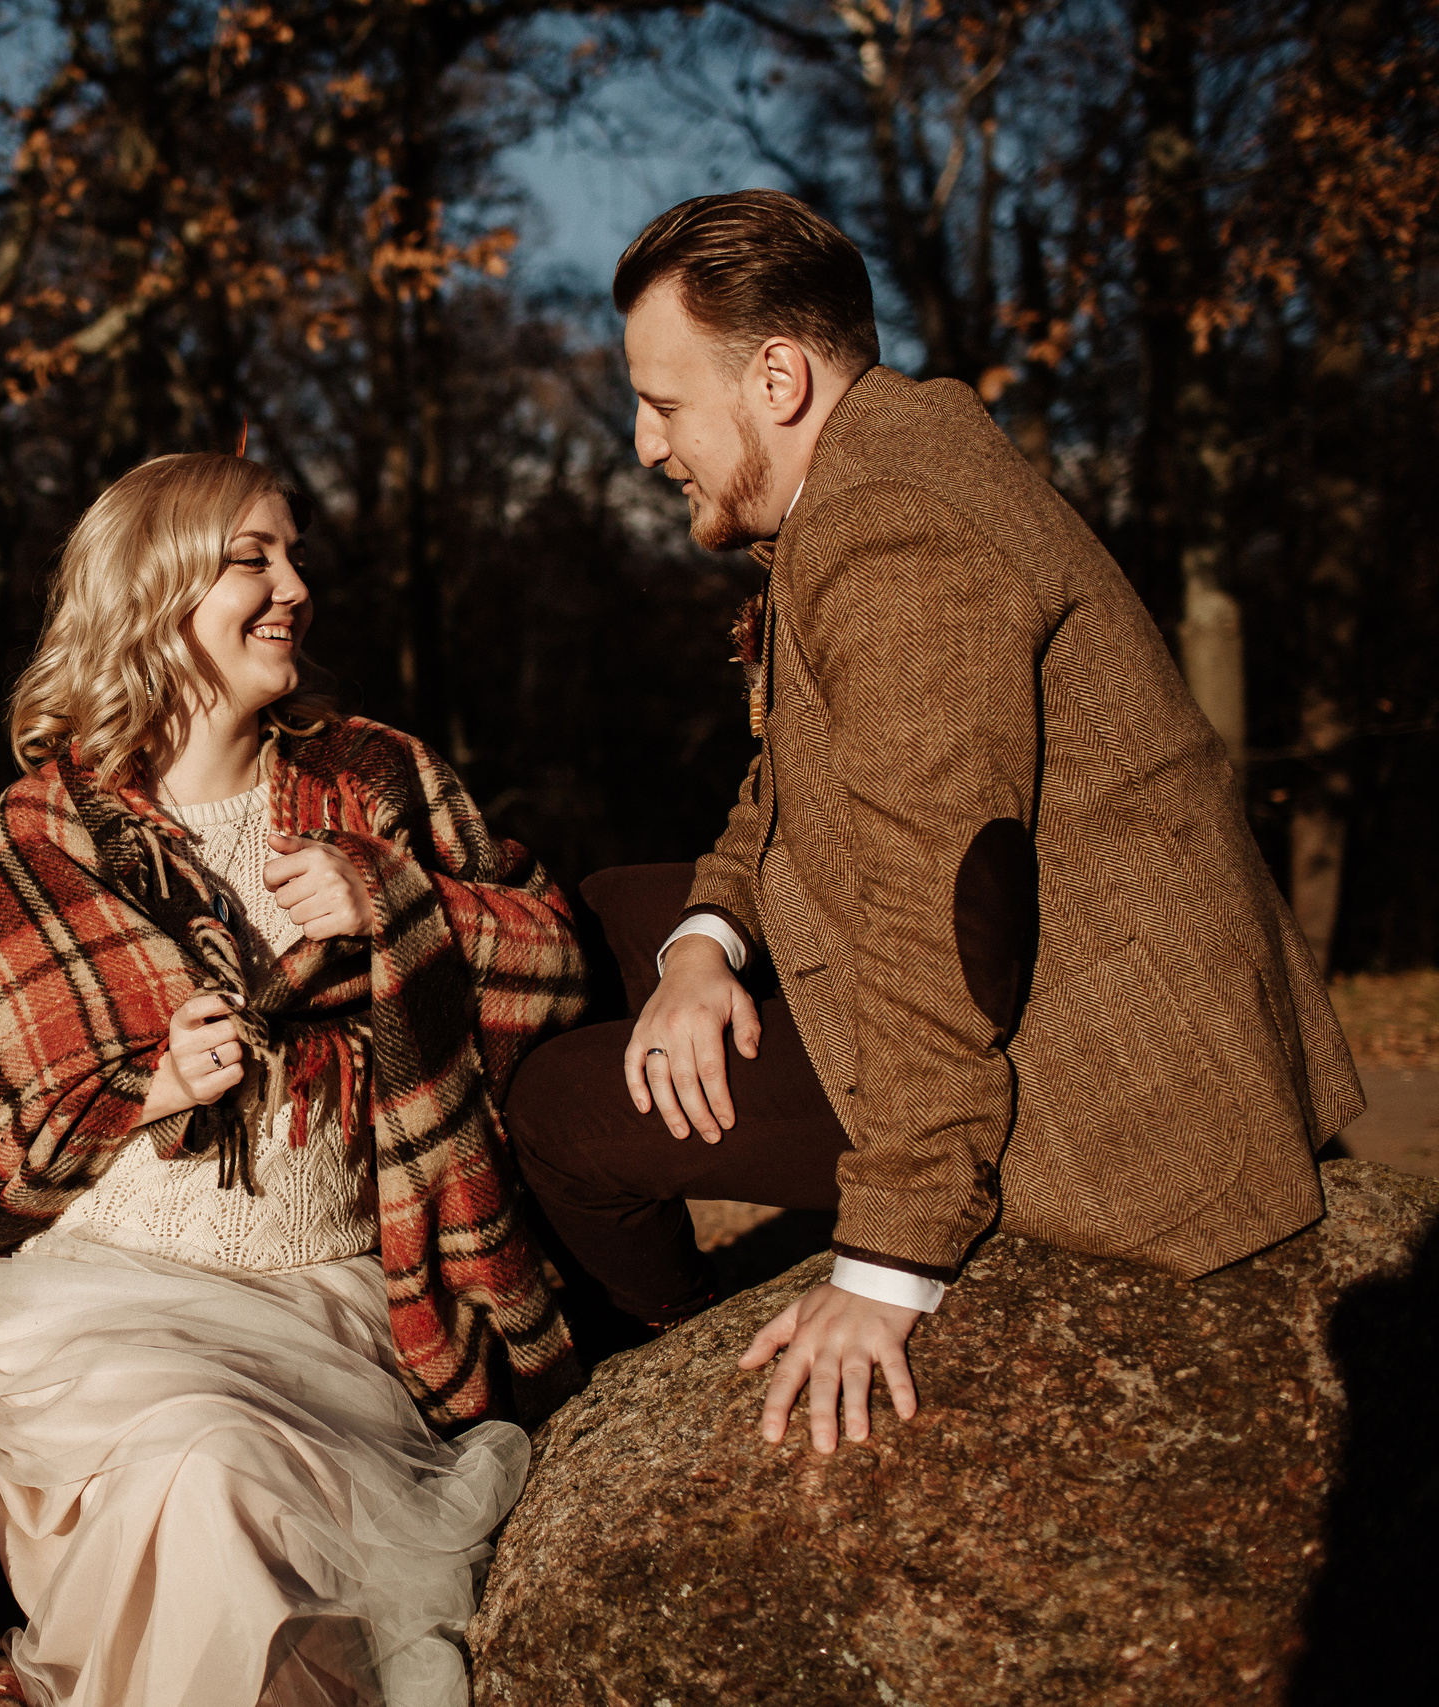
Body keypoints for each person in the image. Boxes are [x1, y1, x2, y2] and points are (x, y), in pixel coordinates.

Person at [504, 190, 1364, 1458]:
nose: (644, 445)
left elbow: (943, 902)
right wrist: (702, 944)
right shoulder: (883, 466)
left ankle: (657, 1381)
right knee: (611, 921)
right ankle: (672, 1320)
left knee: (563, 1112)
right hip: (1027, 966)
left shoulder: (894, 535)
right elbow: (782, 786)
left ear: (779, 378)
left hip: (1098, 1075)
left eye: (665, 403)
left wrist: (887, 1262)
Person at [0, 451, 587, 1707]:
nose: (294, 588)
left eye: (294, 555)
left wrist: (403, 905)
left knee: (282, 1549)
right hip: (108, 1320)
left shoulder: (372, 780)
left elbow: (552, 960)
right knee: (203, 1473)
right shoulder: (42, 832)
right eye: (250, 560)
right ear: (154, 591)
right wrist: (149, 1088)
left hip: (338, 1307)